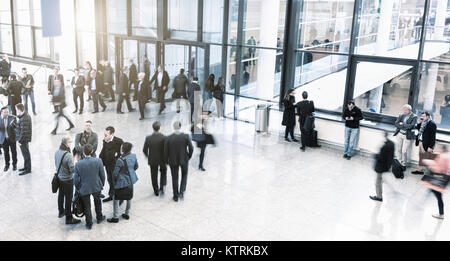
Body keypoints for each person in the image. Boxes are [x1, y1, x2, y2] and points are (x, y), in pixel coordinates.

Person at [73, 144, 106, 230]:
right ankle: (99, 218)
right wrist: (101, 184)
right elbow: (102, 175)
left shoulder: (78, 164)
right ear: (92, 151)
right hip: (96, 186)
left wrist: (78, 188)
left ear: (83, 153)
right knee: (98, 202)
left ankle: (89, 223)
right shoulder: (98, 161)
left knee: (87, 206)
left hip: (84, 187)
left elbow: (75, 179)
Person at [107, 142, 139, 223]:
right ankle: (127, 213)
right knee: (129, 197)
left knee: (116, 198)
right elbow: (136, 166)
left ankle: (115, 217)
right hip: (131, 180)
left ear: (123, 150)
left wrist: (114, 182)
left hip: (121, 182)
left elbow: (115, 173)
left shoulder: (120, 160)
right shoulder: (133, 156)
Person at [164, 121, 193, 202]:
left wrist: (166, 161)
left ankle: (175, 196)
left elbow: (165, 151)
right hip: (184, 159)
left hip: (173, 161)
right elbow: (191, 148)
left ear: (173, 127)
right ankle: (182, 192)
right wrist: (188, 157)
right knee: (184, 175)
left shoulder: (168, 138)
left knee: (174, 178)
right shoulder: (186, 136)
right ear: (180, 127)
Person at [55, 136, 81, 225]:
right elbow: (72, 170)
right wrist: (76, 162)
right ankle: (69, 218)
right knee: (68, 198)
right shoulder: (68, 155)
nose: (71, 143)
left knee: (61, 195)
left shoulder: (57, 152)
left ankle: (61, 211)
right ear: (66, 143)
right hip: (68, 180)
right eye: (70, 142)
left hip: (59, 178)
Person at [421, 144, 450, 219]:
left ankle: (441, 214)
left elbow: (438, 169)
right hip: (443, 178)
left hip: (439, 178)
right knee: (433, 191)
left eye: (438, 148)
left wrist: (429, 163)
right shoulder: (447, 155)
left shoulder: (442, 156)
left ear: (442, 149)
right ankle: (425, 200)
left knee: (437, 195)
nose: (437, 149)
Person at [99, 126, 123, 202]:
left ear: (111, 134)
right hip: (107, 165)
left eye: (106, 135)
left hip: (115, 167)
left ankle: (120, 197)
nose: (104, 136)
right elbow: (103, 151)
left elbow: (122, 153)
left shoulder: (119, 141)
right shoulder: (105, 141)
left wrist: (116, 155)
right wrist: (99, 162)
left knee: (116, 181)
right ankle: (111, 195)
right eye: (104, 134)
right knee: (110, 181)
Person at [143, 121, 167, 196]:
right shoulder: (164, 137)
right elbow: (166, 149)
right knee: (163, 172)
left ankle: (156, 191)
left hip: (152, 159)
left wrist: (148, 156)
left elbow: (144, 150)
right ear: (160, 128)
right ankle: (162, 187)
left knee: (154, 175)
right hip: (162, 159)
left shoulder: (148, 138)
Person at [369, 132, 395, 202]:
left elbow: (381, 158)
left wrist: (374, 155)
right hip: (387, 166)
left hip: (381, 167)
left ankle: (379, 197)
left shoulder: (384, 147)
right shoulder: (392, 144)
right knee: (382, 178)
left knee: (377, 182)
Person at [393, 104, 417, 170]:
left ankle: (403, 164)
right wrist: (404, 126)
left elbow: (411, 126)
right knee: (398, 149)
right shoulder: (401, 115)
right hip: (399, 134)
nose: (403, 111)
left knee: (404, 151)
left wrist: (402, 124)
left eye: (405, 110)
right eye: (403, 109)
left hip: (407, 135)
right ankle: (399, 163)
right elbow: (396, 124)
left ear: (409, 110)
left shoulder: (414, 117)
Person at [15, 103, 32, 176]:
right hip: (24, 139)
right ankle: (26, 167)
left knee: (26, 154)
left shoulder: (24, 118)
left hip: (23, 140)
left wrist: (20, 141)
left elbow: (23, 132)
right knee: (25, 154)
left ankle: (28, 169)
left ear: (19, 110)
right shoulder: (24, 116)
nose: (16, 111)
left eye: (16, 110)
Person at [0, 106, 17, 171]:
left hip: (11, 138)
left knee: (13, 151)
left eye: (7, 112)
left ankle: (14, 164)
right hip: (3, 139)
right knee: (6, 152)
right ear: (1, 112)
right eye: (5, 112)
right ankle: (7, 165)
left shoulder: (13, 117)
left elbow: (16, 127)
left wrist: (13, 125)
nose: (7, 113)